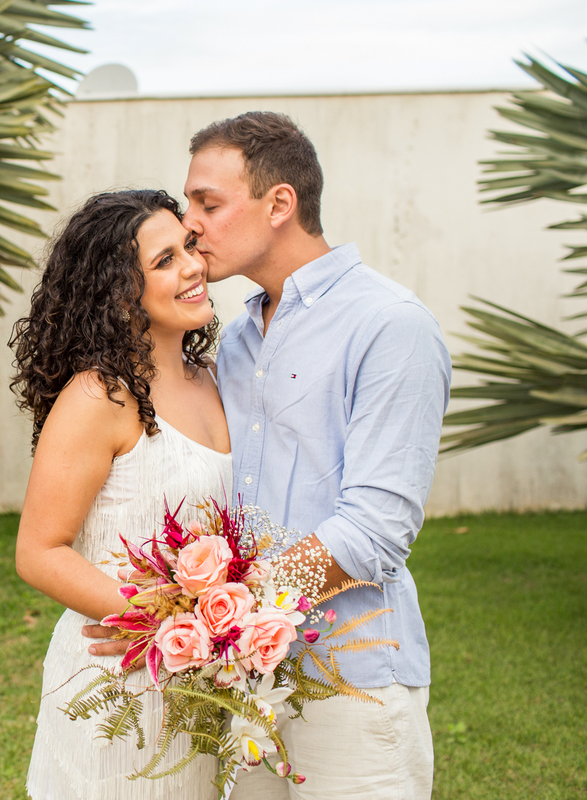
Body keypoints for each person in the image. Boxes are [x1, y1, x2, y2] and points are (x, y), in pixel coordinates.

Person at [86, 112, 451, 799]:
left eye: (208, 203)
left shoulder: (390, 325)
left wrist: (202, 609)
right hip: (242, 683)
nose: (188, 223)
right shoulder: (239, 340)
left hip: (354, 679)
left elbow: (377, 528)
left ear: (280, 203)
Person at [11, 189, 234, 800]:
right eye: (164, 261)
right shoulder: (98, 397)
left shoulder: (214, 381)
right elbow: (39, 550)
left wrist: (219, 630)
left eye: (189, 245)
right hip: (118, 680)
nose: (193, 266)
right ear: (117, 292)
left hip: (204, 677)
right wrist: (157, 623)